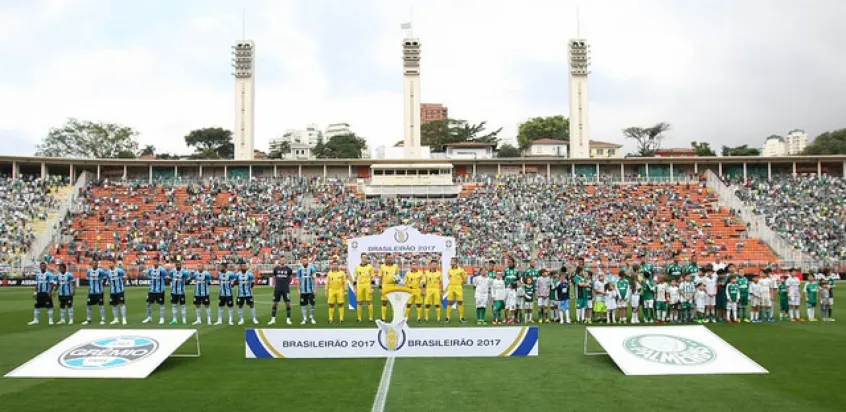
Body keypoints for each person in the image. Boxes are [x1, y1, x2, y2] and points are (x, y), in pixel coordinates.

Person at [268, 257, 294, 326]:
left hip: (286, 288)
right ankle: (273, 319)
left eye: (283, 260)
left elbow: (290, 278)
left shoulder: (288, 269)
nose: (282, 261)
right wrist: (277, 284)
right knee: (275, 303)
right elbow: (274, 277)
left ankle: (288, 319)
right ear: (279, 260)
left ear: (285, 261)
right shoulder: (276, 268)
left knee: (287, 303)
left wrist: (286, 284)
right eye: (281, 260)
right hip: (277, 288)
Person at [143, 257, 169, 324]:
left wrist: (163, 285)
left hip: (160, 290)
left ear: (158, 262)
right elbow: (149, 276)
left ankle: (162, 318)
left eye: (156, 261)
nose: (154, 263)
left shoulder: (162, 270)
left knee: (161, 304)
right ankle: (149, 317)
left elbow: (166, 277)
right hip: (151, 290)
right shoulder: (150, 270)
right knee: (148, 304)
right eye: (153, 261)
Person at [82, 260, 108, 326]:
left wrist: (102, 285)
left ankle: (103, 319)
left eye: (95, 264)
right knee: (89, 305)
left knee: (101, 305)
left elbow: (105, 278)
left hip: (99, 291)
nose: (94, 265)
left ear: (97, 264)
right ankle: (88, 319)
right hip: (91, 292)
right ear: (91, 264)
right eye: (93, 264)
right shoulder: (89, 271)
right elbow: (88, 279)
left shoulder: (101, 271)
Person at [353, 255, 375, 323]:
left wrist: (372, 287)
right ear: (361, 258)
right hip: (360, 286)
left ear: (366, 259)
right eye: (363, 258)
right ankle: (359, 318)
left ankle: (371, 318)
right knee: (359, 302)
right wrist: (355, 289)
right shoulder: (357, 267)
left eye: (365, 258)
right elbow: (355, 279)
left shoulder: (370, 267)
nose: (364, 259)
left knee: (369, 301)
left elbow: (372, 278)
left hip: (368, 285)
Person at [446, 258, 467, 323]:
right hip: (451, 287)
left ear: (456, 262)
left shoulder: (461, 270)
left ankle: (461, 317)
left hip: (458, 287)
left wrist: (461, 283)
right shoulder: (449, 270)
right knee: (450, 302)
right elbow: (449, 278)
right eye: (451, 261)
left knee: (460, 302)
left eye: (452, 261)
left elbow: (465, 279)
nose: (451, 262)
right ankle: (447, 317)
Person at [296, 258, 317, 325]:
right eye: (303, 260)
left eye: (305, 260)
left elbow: (315, 279)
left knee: (312, 304)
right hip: (303, 291)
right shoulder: (299, 269)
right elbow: (298, 280)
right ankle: (304, 318)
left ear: (308, 261)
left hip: (311, 290)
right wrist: (298, 289)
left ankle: (312, 317)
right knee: (303, 305)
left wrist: (315, 289)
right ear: (301, 261)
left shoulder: (312, 268)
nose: (304, 262)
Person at [325, 259, 347, 324]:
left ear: (338, 265)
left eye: (336, 265)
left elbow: (344, 282)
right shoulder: (329, 273)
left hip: (340, 289)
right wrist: (326, 290)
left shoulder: (342, 273)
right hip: (331, 290)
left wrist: (345, 290)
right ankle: (330, 319)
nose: (335, 266)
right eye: (334, 265)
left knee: (340, 304)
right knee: (331, 304)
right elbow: (327, 283)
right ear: (332, 265)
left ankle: (341, 319)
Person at [380, 255, 400, 321]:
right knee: (384, 302)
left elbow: (397, 276)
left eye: (390, 258)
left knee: (394, 302)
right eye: (388, 258)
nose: (389, 259)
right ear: (385, 259)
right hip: (385, 286)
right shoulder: (382, 267)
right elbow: (380, 277)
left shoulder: (395, 266)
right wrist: (380, 288)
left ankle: (395, 317)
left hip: (393, 286)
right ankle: (383, 317)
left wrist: (397, 282)